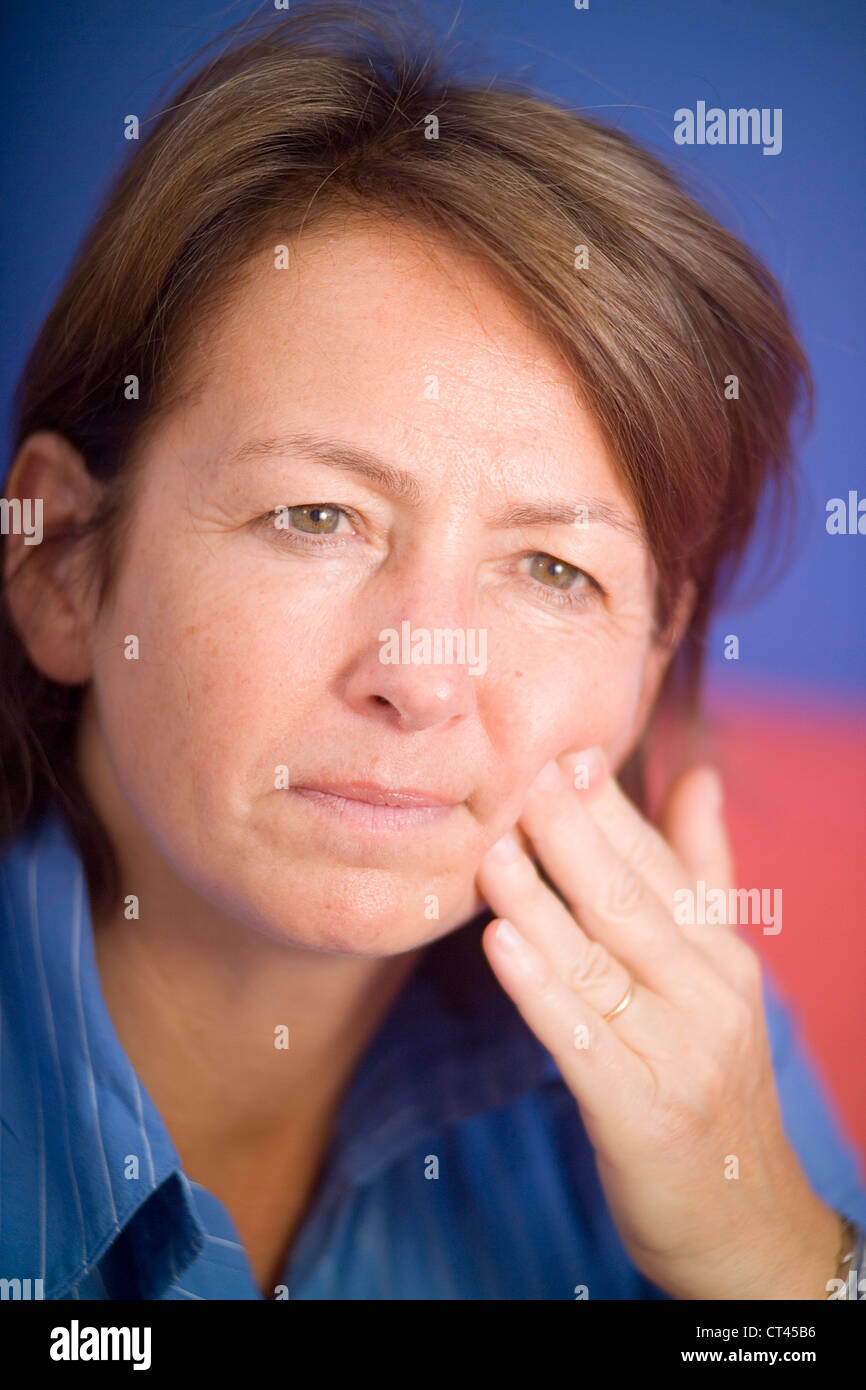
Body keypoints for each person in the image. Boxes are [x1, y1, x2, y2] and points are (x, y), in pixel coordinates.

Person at [1, 2, 864, 1301]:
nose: (423, 673)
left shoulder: (686, 1052)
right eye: (314, 515)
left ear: (649, 662)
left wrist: (770, 1257)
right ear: (63, 558)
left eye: (551, 569)